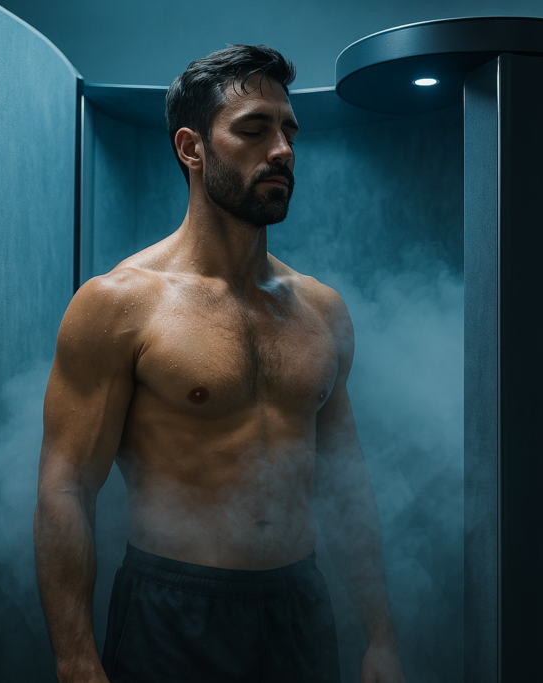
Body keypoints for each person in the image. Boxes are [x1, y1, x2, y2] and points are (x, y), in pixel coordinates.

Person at [33, 44, 405, 683]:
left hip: (298, 609)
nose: (282, 150)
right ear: (192, 148)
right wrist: (75, 660)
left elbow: (346, 483)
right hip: (172, 612)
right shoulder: (119, 303)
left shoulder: (322, 309)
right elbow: (65, 487)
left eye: (288, 131)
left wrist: (380, 637)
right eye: (254, 129)